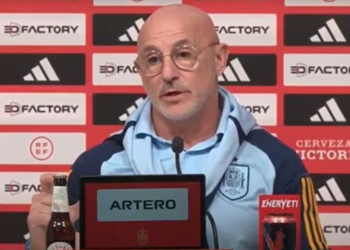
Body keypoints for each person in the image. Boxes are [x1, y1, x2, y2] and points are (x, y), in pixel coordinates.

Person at [26, 4, 329, 250]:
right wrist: (43, 241)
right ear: (140, 71)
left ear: (220, 58)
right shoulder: (95, 165)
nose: (168, 73)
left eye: (184, 55)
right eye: (153, 60)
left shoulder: (277, 164)